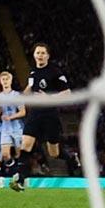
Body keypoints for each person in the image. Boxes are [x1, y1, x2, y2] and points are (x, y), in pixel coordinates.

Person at [10, 43, 70, 192]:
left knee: (54, 153)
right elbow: (30, 87)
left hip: (50, 114)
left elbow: (67, 93)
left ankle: (72, 158)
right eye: (38, 52)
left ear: (48, 56)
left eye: (43, 53)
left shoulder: (55, 71)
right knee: (25, 145)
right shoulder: (33, 72)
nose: (40, 55)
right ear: (34, 55)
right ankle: (20, 180)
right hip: (35, 113)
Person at [0, 71, 25, 173]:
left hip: (17, 127)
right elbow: (1, 110)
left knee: (19, 154)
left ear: (11, 81)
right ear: (0, 81)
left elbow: (23, 112)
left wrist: (11, 117)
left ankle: (20, 176)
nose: (5, 81)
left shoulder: (16, 95)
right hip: (5, 128)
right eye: (3, 80)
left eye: (7, 79)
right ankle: (15, 171)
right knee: (5, 155)